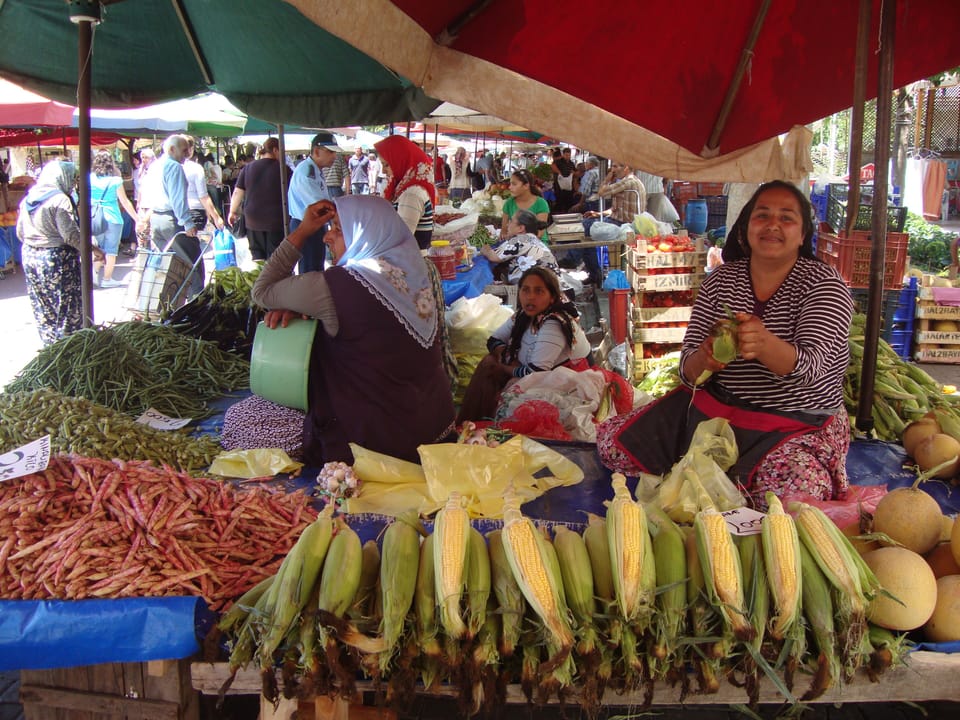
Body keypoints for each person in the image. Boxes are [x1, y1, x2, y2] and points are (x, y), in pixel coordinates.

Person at [596, 180, 853, 510]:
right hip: (717, 417)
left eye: (787, 218)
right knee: (612, 446)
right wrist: (704, 358)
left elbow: (813, 369)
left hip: (796, 423)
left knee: (790, 498)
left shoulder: (823, 284)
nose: (773, 225)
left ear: (803, 235)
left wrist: (764, 344)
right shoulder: (721, 280)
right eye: (762, 215)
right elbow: (687, 371)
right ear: (746, 228)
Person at [250, 195, 456, 465]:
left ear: (366, 233)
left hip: (378, 446)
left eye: (338, 229)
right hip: (435, 430)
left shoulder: (338, 284)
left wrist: (303, 230)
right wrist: (302, 307)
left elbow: (262, 291)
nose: (327, 237)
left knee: (245, 417)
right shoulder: (417, 272)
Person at [456, 266, 590, 423]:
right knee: (489, 362)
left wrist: (503, 367)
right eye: (525, 290)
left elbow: (535, 371)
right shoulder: (522, 316)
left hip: (568, 384)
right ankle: (472, 422)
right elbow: (493, 340)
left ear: (552, 297)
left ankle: (480, 422)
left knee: (497, 372)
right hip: (537, 373)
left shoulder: (554, 323)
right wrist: (504, 355)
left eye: (539, 291)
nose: (530, 297)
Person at [16, 160, 105, 344]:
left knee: (44, 308)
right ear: (63, 177)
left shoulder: (28, 199)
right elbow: (70, 235)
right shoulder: (59, 200)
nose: (73, 183)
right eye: (72, 178)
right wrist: (94, 249)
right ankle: (68, 349)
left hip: (31, 257)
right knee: (67, 310)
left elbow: (20, 233)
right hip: (56, 260)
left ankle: (50, 347)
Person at [144, 134, 204, 298]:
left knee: (168, 268)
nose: (186, 155)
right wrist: (188, 223)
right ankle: (197, 303)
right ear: (172, 149)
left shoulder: (155, 166)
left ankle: (170, 304)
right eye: (184, 151)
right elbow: (178, 200)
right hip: (172, 220)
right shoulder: (174, 167)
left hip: (156, 219)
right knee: (192, 265)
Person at [228, 137, 291, 260]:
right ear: (275, 150)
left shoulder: (247, 168)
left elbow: (237, 192)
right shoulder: (284, 169)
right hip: (276, 221)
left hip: (252, 220)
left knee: (257, 259)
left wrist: (232, 211)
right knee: (275, 260)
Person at [288, 132, 340, 273]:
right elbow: (320, 205)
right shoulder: (307, 172)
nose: (334, 156)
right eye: (330, 152)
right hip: (306, 226)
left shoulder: (315, 170)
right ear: (316, 151)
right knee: (310, 270)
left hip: (314, 225)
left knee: (316, 267)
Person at [89, 151, 137, 288]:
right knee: (110, 250)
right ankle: (107, 279)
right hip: (112, 217)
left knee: (99, 248)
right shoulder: (116, 180)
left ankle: (94, 273)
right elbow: (124, 201)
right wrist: (137, 218)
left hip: (95, 217)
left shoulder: (90, 178)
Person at [480, 209, 560, 283]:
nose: (507, 224)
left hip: (541, 286)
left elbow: (493, 257)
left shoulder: (522, 239)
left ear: (521, 228)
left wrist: (482, 240)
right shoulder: (532, 239)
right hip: (552, 285)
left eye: (511, 221)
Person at [184, 138, 225, 234]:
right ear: (191, 149)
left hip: (173, 213)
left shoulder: (164, 166)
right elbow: (203, 196)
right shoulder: (195, 168)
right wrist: (216, 217)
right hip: (195, 210)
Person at [501, 169, 550, 238]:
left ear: (526, 186)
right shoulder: (509, 203)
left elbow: (539, 233)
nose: (509, 187)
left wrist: (518, 240)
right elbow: (504, 231)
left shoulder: (541, 203)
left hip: (537, 242)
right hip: (515, 242)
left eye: (514, 184)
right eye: (510, 184)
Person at [551, 147, 577, 214]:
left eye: (569, 155)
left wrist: (573, 173)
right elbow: (553, 166)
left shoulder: (571, 163)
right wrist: (559, 172)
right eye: (566, 155)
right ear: (563, 154)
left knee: (568, 201)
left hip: (569, 185)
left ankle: (567, 213)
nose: (567, 156)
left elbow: (574, 171)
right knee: (560, 200)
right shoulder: (558, 161)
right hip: (559, 185)